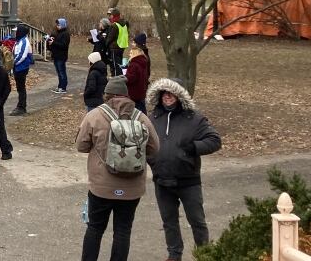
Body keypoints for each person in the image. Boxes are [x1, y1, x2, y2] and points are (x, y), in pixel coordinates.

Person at [76, 76, 160, 261]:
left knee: (95, 228)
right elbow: (155, 149)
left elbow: (80, 146)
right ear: (126, 95)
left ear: (107, 95)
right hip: (132, 188)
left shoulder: (94, 116)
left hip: (101, 187)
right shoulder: (141, 117)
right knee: (123, 231)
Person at [146, 78, 221, 261]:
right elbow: (144, 141)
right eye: (164, 93)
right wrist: (152, 160)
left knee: (197, 221)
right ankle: (174, 254)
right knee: (169, 222)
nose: (167, 97)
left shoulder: (194, 118)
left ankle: (204, 254)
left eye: (171, 93)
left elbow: (214, 140)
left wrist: (194, 147)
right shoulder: (153, 117)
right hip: (162, 180)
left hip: (188, 181)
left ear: (179, 95)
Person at [9, 25, 33, 116]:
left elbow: (21, 55)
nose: (15, 33)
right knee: (20, 88)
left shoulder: (24, 41)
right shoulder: (19, 41)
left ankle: (21, 107)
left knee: (21, 88)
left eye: (16, 31)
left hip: (21, 67)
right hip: (18, 67)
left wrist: (12, 63)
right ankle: (21, 106)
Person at [48, 17, 71, 94]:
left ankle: (63, 87)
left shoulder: (66, 34)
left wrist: (53, 43)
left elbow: (63, 45)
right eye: (57, 24)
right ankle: (60, 86)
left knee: (62, 72)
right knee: (59, 72)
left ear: (63, 25)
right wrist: (50, 41)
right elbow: (54, 43)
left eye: (59, 25)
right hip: (55, 55)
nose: (57, 26)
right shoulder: (56, 33)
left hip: (61, 56)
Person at [105, 8, 130, 77]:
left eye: (111, 15)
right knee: (119, 65)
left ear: (113, 16)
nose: (110, 17)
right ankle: (119, 78)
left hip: (114, 48)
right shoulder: (125, 24)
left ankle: (116, 81)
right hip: (122, 47)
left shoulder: (114, 25)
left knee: (115, 67)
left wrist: (105, 45)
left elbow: (110, 38)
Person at [125, 48, 150, 113]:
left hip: (134, 92)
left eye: (131, 53)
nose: (129, 54)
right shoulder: (143, 63)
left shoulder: (133, 64)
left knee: (135, 111)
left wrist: (124, 77)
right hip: (141, 90)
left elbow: (130, 78)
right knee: (142, 109)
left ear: (135, 54)